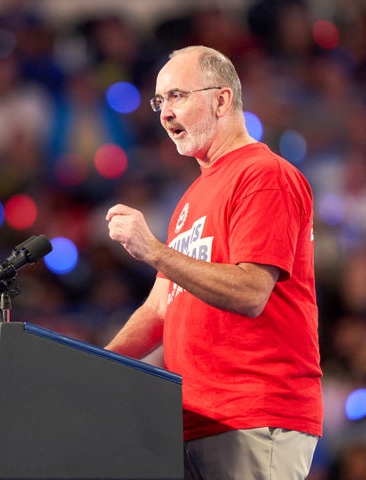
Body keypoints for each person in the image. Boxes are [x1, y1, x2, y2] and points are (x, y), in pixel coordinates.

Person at [104, 45, 322, 479]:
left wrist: (153, 250)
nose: (165, 113)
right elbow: (158, 309)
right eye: (159, 101)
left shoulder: (265, 175)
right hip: (193, 421)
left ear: (222, 100)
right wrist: (88, 364)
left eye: (178, 96)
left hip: (254, 413)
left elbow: (251, 291)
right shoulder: (192, 196)